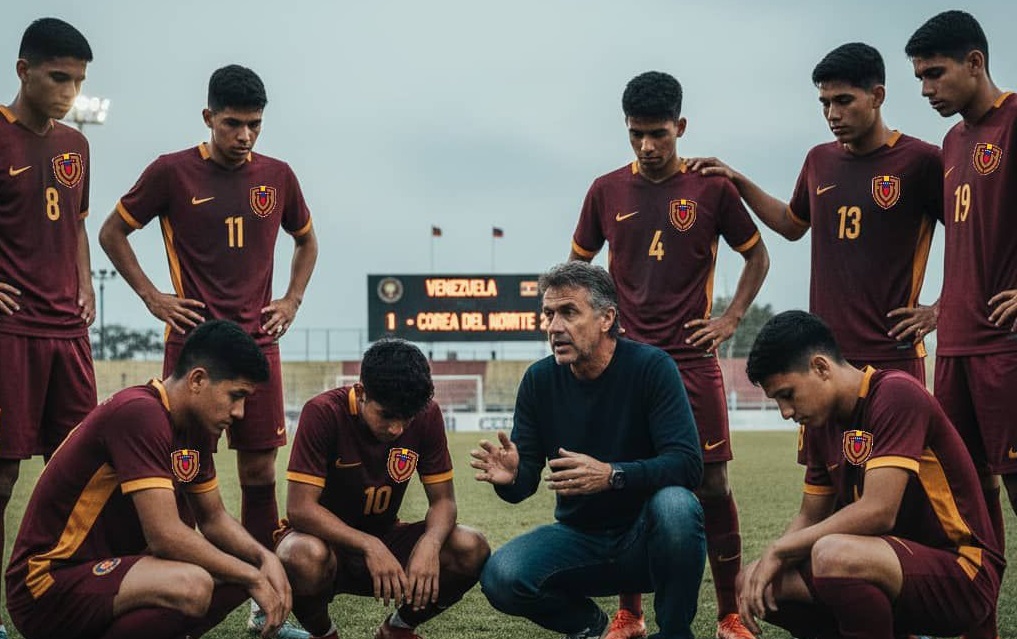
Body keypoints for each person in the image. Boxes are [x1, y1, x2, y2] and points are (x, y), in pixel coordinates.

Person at [99, 63, 318, 637]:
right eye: (232, 124)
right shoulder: (171, 172)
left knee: (259, 475)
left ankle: (263, 606)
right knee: (180, 474)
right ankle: (169, 593)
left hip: (258, 348)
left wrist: (291, 299)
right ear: (208, 118)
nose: (245, 136)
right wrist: (153, 297)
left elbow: (307, 240)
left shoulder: (278, 176)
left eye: (255, 125)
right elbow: (112, 232)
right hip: (194, 351)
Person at [569, 71, 767, 639]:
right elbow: (579, 266)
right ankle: (630, 613)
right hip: (626, 363)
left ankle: (730, 613)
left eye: (658, 133)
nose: (647, 146)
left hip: (690, 361)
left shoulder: (711, 189)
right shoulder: (605, 190)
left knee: (713, 485)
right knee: (625, 483)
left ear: (680, 126)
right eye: (636, 134)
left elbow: (758, 256)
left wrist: (730, 319)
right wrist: (593, 328)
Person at [4, 319, 294, 639]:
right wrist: (251, 575)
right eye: (235, 395)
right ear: (197, 379)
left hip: (112, 573)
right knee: (193, 585)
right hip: (47, 585)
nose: (240, 412)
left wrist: (262, 557)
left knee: (242, 568)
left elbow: (213, 518)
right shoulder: (139, 413)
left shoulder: (194, 426)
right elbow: (165, 536)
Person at [473, 261, 706, 639]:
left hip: (647, 540)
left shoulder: (651, 367)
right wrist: (512, 477)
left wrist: (612, 475)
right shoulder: (538, 381)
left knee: (677, 505)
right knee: (501, 575)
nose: (554, 327)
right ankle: (589, 625)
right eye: (548, 314)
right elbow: (524, 485)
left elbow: (687, 465)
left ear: (606, 318)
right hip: (579, 539)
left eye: (568, 312)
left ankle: (675, 632)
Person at [738, 310, 1002, 639]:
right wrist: (772, 560)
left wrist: (781, 549)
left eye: (787, 394)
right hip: (888, 565)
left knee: (832, 555)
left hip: (962, 573)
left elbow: (879, 511)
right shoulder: (820, 423)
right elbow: (810, 515)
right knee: (755, 581)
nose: (786, 412)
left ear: (821, 367)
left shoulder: (895, 394)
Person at [688, 42, 943, 383]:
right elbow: (791, 224)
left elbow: (970, 235)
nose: (833, 114)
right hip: (826, 355)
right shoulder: (819, 160)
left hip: (893, 352)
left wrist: (940, 309)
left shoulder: (921, 160)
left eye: (844, 101)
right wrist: (737, 180)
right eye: (825, 103)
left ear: (877, 96)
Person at [907, 12, 1016, 637]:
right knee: (968, 501)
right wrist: (940, 307)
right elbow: (970, 242)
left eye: (935, 74)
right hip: (955, 350)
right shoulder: (951, 144)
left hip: (1009, 348)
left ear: (975, 62)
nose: (927, 89)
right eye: (920, 78)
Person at [275, 338, 489, 639]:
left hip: (387, 536)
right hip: (325, 544)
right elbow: (300, 509)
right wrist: (368, 545)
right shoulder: (322, 412)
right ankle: (324, 634)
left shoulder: (427, 414)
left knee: (470, 546)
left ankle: (397, 629)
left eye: (407, 418)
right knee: (300, 555)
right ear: (361, 392)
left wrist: (430, 544)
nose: (397, 429)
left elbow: (443, 501)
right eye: (387, 415)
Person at [0, 17, 97, 639]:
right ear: (23, 70)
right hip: (10, 332)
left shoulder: (76, 145)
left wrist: (85, 283)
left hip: (69, 332)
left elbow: (78, 223)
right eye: (59, 78)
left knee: (82, 470)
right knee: (2, 476)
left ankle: (74, 595)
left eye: (78, 81)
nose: (69, 92)